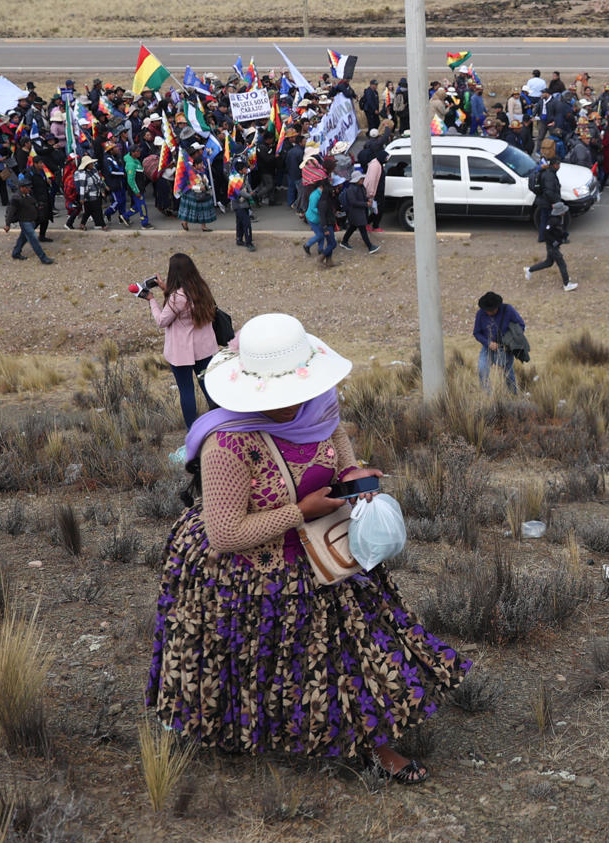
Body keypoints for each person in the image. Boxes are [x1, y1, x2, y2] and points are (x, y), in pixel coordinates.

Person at [150, 312, 468, 775]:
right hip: (250, 572)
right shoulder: (228, 446)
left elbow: (340, 453)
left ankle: (374, 746)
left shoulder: (318, 407)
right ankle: (242, 733)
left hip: (325, 556)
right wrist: (302, 511)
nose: (296, 402)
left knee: (346, 653)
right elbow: (225, 534)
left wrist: (353, 477)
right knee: (251, 660)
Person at [148, 253, 220, 428]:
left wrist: (151, 300)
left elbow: (162, 321)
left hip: (182, 353)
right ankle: (221, 425)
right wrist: (167, 290)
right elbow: (186, 304)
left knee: (187, 392)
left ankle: (193, 431)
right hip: (205, 348)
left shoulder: (176, 297)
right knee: (211, 390)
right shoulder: (202, 288)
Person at [474, 291, 526, 394]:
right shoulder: (480, 314)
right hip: (487, 347)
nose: (489, 313)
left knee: (507, 373)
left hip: (506, 348)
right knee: (482, 369)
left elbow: (521, 326)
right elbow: (476, 333)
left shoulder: (508, 310)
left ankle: (513, 395)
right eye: (487, 310)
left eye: (492, 310)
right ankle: (487, 397)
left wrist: (509, 339)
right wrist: (488, 343)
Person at [526, 194, 577, 291]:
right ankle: (566, 284)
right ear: (560, 212)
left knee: (548, 263)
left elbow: (557, 232)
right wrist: (554, 242)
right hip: (552, 247)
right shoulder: (553, 221)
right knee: (562, 264)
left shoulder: (557, 219)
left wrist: (563, 235)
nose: (565, 212)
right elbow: (546, 233)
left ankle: (530, 270)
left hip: (553, 246)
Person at [5, 189, 54, 264]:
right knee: (33, 239)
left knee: (23, 238)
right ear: (22, 188)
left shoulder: (28, 195)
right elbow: (11, 212)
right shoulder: (16, 198)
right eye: (27, 187)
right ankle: (43, 258)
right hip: (25, 222)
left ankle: (16, 253)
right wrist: (7, 224)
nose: (29, 188)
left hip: (31, 221)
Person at [339, 169, 378, 254]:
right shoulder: (351, 189)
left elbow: (362, 197)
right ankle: (370, 247)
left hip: (358, 212)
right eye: (360, 179)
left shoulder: (360, 187)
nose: (362, 180)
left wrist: (368, 200)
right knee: (362, 229)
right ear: (356, 180)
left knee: (352, 227)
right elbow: (353, 202)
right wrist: (366, 204)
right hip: (355, 212)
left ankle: (344, 242)